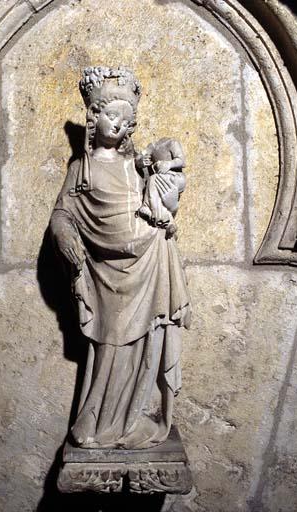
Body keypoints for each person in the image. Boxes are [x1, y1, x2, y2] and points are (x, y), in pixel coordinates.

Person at [50, 66, 191, 449]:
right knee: (111, 345)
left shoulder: (136, 165)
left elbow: (165, 179)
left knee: (144, 345)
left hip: (147, 261)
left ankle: (130, 419)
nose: (120, 125)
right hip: (105, 272)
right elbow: (62, 213)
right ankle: (94, 423)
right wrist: (64, 236)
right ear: (93, 118)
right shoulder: (82, 169)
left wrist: (167, 158)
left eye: (127, 120)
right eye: (113, 115)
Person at [136, 138, 186, 238]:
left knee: (153, 179)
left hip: (175, 177)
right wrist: (140, 161)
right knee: (153, 181)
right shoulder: (152, 147)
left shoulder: (172, 142)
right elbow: (140, 156)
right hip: (159, 178)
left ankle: (147, 207)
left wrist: (168, 164)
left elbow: (182, 161)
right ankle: (168, 222)